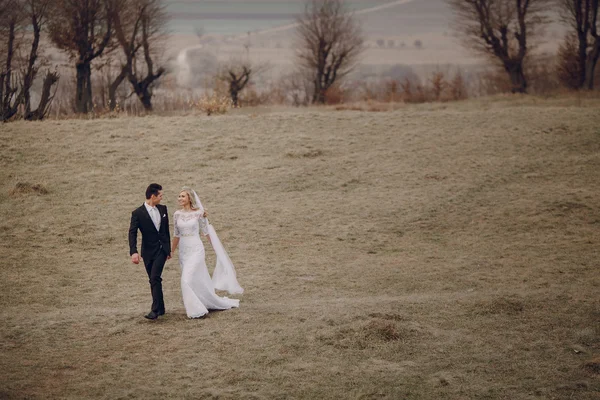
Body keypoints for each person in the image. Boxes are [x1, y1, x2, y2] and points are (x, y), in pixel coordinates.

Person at [172, 187, 241, 319]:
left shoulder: (199, 213)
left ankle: (195, 310)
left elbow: (205, 232)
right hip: (183, 251)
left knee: (185, 280)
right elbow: (176, 234)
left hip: (196, 249)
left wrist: (215, 247)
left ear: (189, 198)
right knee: (195, 279)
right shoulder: (176, 214)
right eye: (179, 196)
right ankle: (204, 301)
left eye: (183, 196)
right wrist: (172, 251)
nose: (180, 198)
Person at [128, 183, 171, 320]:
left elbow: (165, 231)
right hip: (147, 252)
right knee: (153, 280)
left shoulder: (163, 209)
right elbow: (132, 233)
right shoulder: (137, 213)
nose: (162, 198)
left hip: (161, 250)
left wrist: (168, 249)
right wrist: (133, 252)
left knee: (154, 277)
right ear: (153, 196)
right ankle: (161, 308)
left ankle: (155, 310)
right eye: (160, 195)